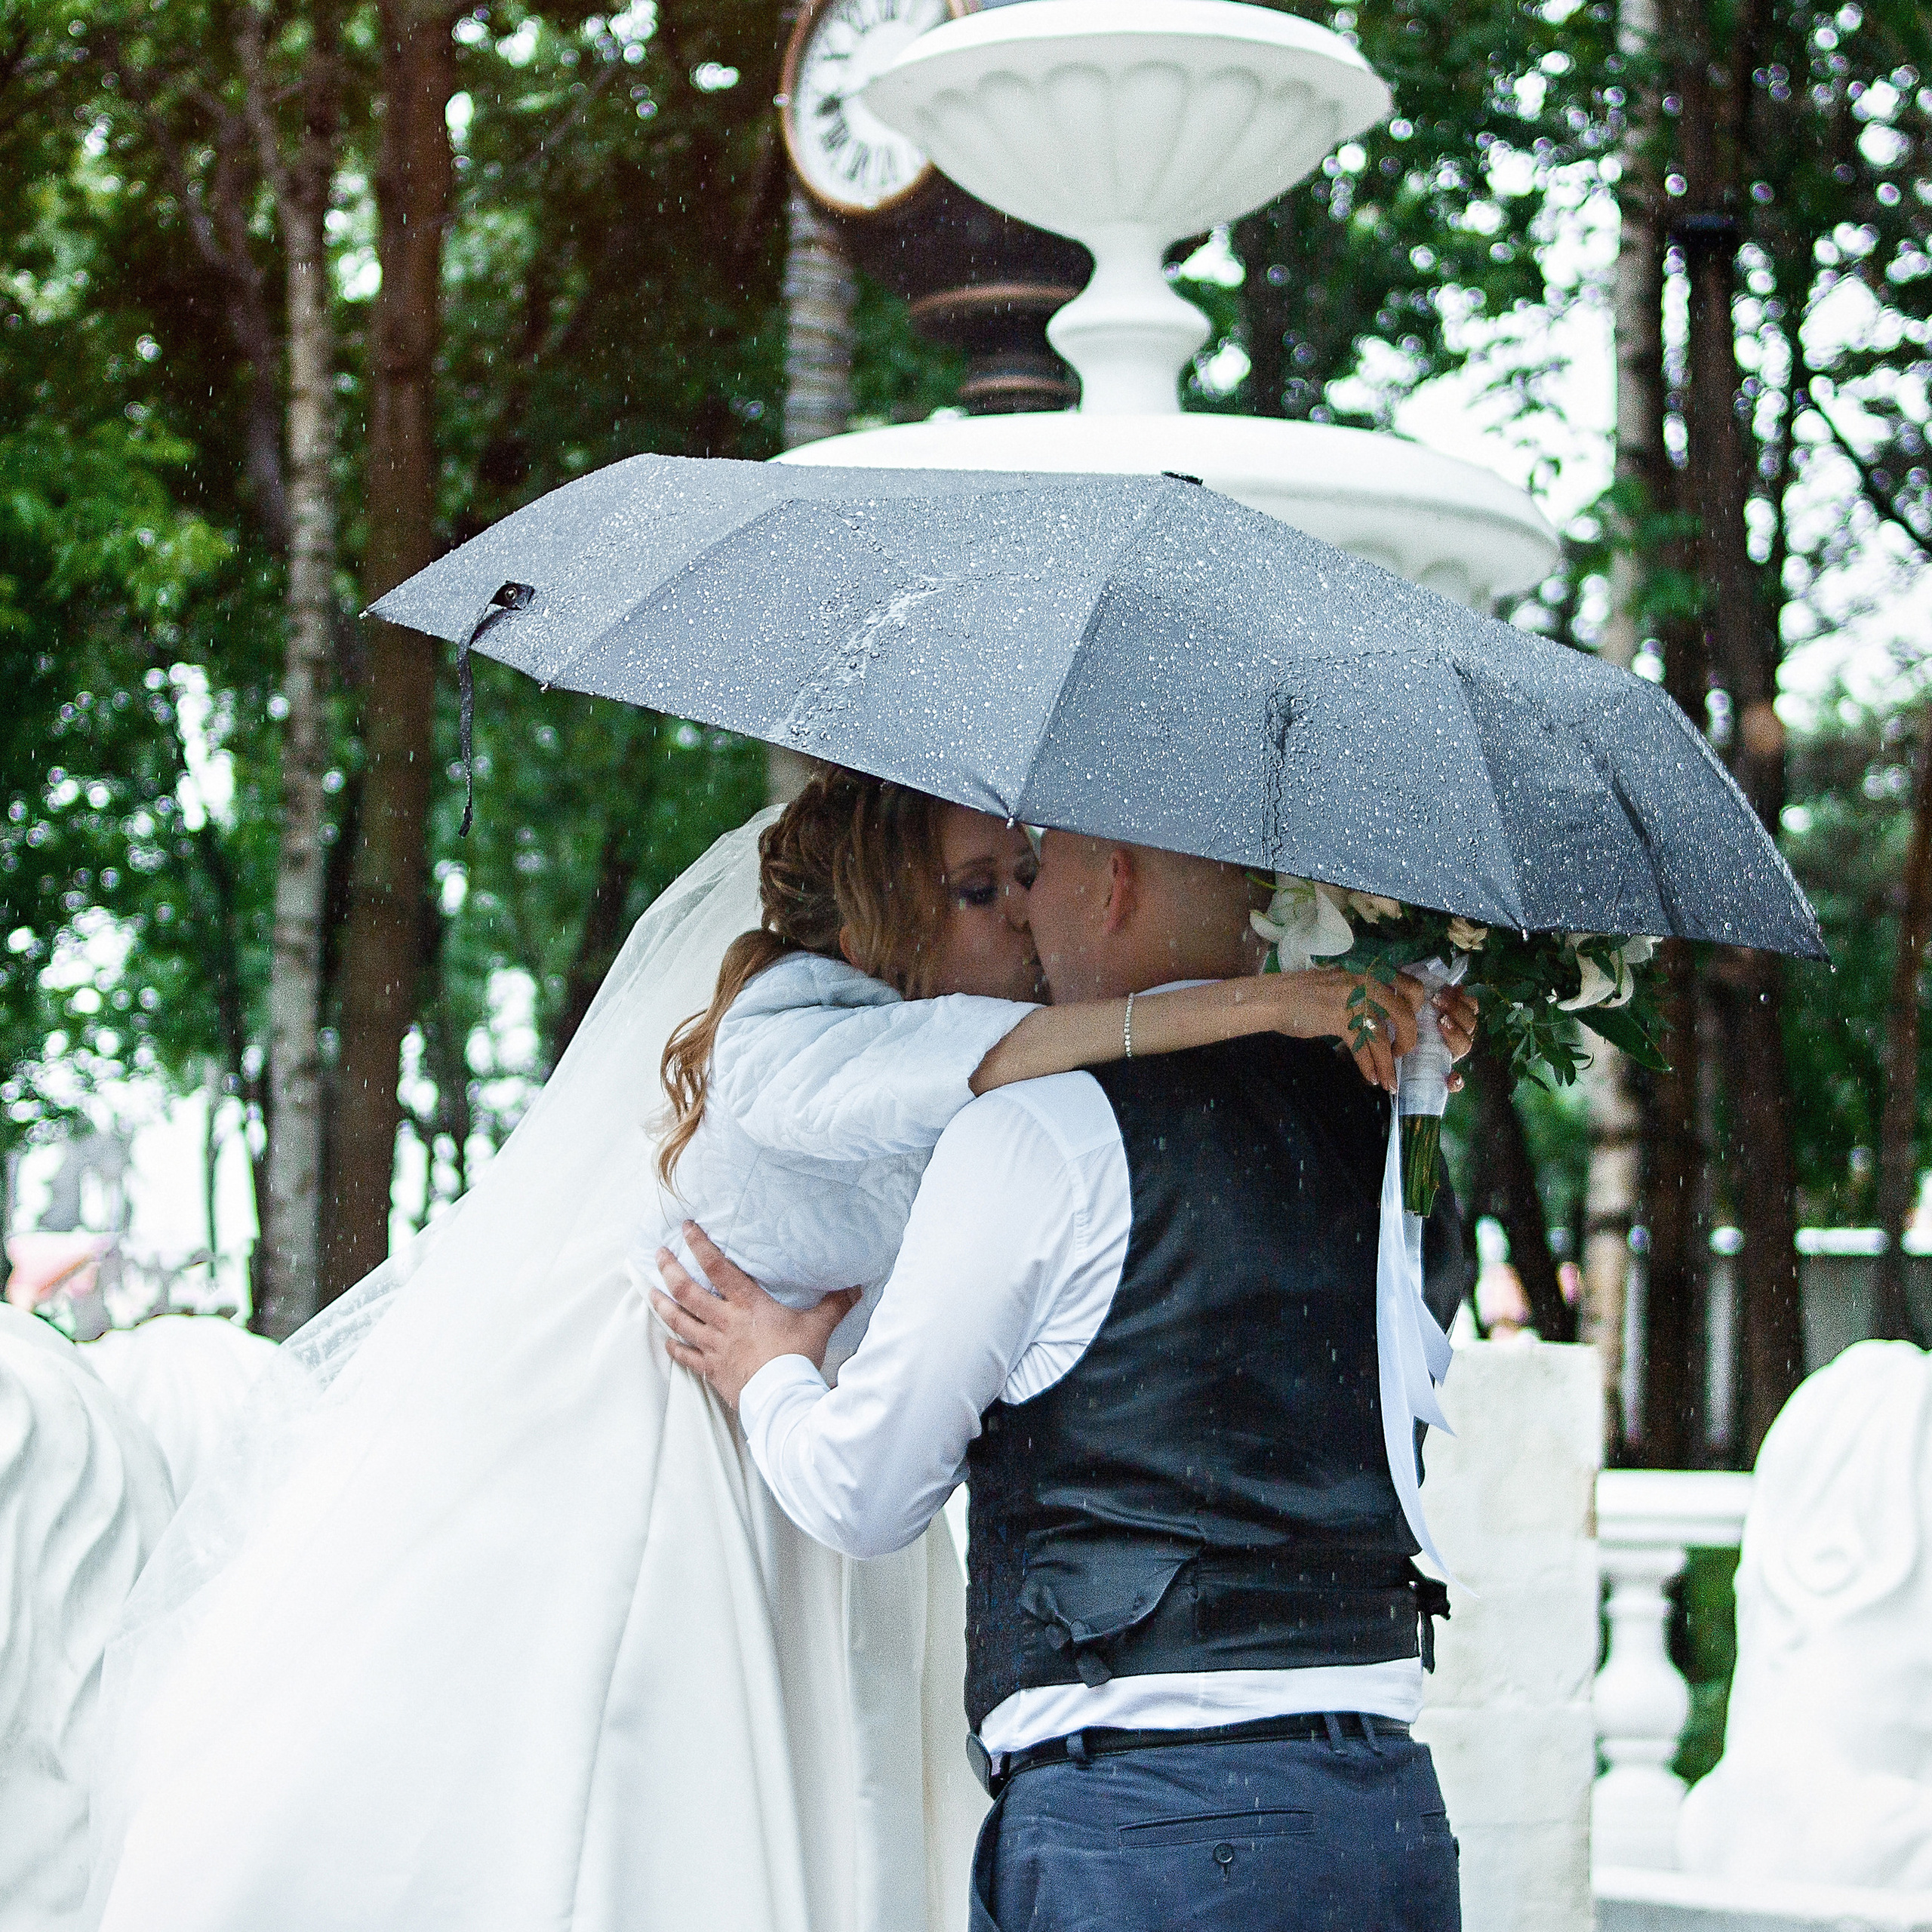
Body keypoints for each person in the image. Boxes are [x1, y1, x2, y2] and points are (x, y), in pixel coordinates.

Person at [86, 774, 1466, 1932]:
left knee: (829, 1811)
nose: (1023, 912)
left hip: (809, 1438)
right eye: (981, 889)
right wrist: (1275, 1004)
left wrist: (1395, 1045)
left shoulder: (1019, 1078)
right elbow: (1016, 1054)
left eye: (1024, 876)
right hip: (675, 1424)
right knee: (619, 1797)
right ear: (886, 917)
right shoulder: (796, 1037)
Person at [654, 828, 1472, 1932]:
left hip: (1147, 1831)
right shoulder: (1390, 1136)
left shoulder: (1037, 1133)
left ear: (1114, 881)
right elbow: (1406, 1377)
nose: (1028, 911)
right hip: (1383, 1820)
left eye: (1037, 874)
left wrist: (767, 1375)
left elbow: (865, 1492)